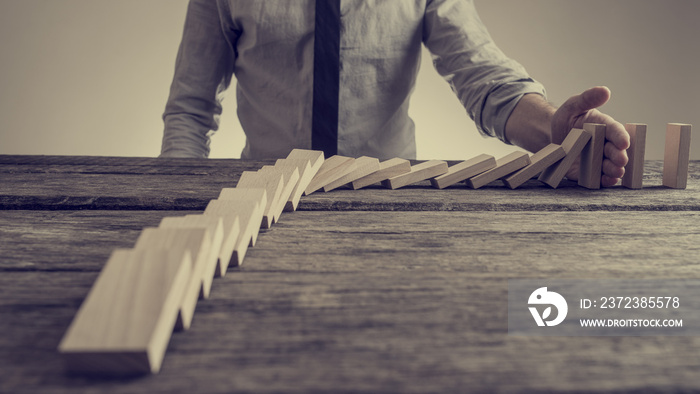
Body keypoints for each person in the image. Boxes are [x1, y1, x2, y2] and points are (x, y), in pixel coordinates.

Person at [161, 0, 629, 187]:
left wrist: (553, 128)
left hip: (389, 196)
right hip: (265, 198)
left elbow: (483, 78)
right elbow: (191, 108)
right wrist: (175, 200)